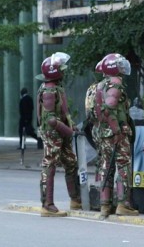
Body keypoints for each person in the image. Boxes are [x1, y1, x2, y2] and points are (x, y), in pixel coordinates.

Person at [36, 52, 81, 217]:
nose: (63, 71)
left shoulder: (56, 88)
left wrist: (71, 126)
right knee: (50, 165)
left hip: (61, 134)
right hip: (54, 134)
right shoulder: (48, 91)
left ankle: (76, 200)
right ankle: (47, 205)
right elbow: (51, 120)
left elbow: (62, 113)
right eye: (60, 68)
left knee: (71, 162)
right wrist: (68, 131)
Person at [96, 53, 139, 217]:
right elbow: (109, 107)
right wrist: (117, 130)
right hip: (116, 133)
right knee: (123, 165)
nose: (123, 68)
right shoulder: (116, 84)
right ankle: (123, 204)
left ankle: (105, 206)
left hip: (103, 132)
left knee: (106, 166)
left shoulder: (101, 85)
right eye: (120, 65)